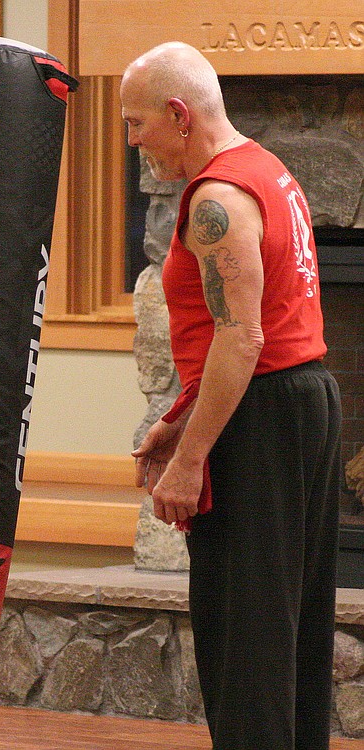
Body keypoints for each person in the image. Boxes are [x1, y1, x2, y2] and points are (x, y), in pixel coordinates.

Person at [123, 43, 342, 750]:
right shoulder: (266, 170)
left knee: (243, 633)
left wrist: (190, 461)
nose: (133, 141)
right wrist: (176, 419)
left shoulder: (216, 199)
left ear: (178, 113)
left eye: (136, 123)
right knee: (289, 625)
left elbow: (242, 338)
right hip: (300, 399)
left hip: (262, 414)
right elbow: (264, 328)